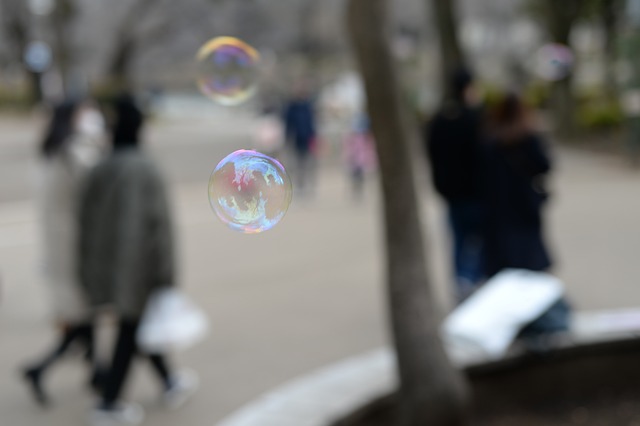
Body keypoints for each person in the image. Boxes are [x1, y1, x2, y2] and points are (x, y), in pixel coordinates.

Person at [79, 94, 196, 425]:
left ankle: (170, 381)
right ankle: (108, 403)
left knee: (139, 327)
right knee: (132, 329)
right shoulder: (146, 169)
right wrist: (168, 274)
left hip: (108, 267)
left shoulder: (100, 168)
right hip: (140, 269)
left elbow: (85, 223)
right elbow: (159, 229)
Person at [22, 99, 106, 407]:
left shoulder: (49, 150)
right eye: (86, 112)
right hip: (75, 249)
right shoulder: (74, 150)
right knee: (85, 315)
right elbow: (99, 181)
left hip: (58, 248)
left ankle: (97, 375)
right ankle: (40, 369)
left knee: (85, 317)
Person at [482, 92, 569, 337]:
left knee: (506, 265)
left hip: (499, 210)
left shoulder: (490, 138)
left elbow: (481, 175)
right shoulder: (527, 136)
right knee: (530, 264)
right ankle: (536, 319)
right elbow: (544, 165)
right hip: (525, 207)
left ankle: (513, 320)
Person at [425, 68, 485, 302]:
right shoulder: (474, 119)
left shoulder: (440, 118)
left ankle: (460, 280)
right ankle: (474, 278)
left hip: (450, 192)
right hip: (474, 192)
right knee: (477, 238)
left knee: (458, 239)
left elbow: (431, 152)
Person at [283, 83, 317, 197]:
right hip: (296, 140)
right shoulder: (292, 107)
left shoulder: (308, 106)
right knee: (298, 165)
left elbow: (312, 124)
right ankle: (300, 187)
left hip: (307, 139)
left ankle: (309, 187)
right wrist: (287, 139)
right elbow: (288, 125)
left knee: (309, 164)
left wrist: (313, 137)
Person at [343, 114, 376, 200]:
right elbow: (348, 149)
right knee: (356, 177)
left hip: (360, 161)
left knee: (359, 177)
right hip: (355, 161)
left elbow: (369, 151)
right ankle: (356, 190)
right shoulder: (352, 138)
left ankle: (358, 190)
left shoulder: (366, 138)